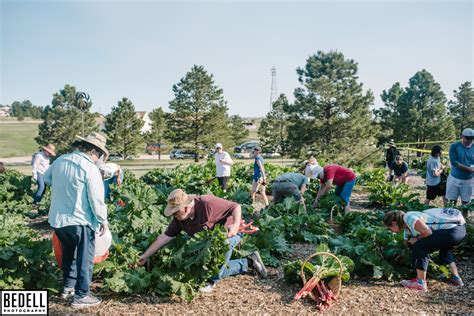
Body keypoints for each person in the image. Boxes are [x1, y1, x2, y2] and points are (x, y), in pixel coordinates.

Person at [138, 189, 267, 293]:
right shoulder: (179, 219)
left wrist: (235, 224)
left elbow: (236, 207)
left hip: (232, 231)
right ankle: (248, 262)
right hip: (207, 242)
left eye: (175, 212)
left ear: (186, 208)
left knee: (224, 245)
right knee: (199, 272)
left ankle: (212, 281)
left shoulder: (207, 203)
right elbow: (164, 238)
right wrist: (144, 256)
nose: (174, 215)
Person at [44, 132, 109, 309]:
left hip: (58, 220)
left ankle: (68, 287)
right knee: (84, 258)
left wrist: (64, 188)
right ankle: (82, 296)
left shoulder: (60, 160)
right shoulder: (90, 168)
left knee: (69, 254)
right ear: (95, 152)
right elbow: (96, 200)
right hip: (80, 220)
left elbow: (46, 178)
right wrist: (103, 220)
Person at [383, 209, 466, 292]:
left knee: (420, 246)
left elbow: (428, 232)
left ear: (393, 223)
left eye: (389, 227)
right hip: (460, 230)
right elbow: (406, 242)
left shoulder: (408, 217)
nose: (389, 230)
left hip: (451, 231)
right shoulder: (406, 225)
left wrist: (416, 239)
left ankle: (420, 282)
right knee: (444, 250)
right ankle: (456, 278)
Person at [446, 128, 474, 205]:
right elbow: (454, 162)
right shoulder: (454, 146)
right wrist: (468, 169)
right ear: (462, 136)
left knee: (465, 203)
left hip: (468, 180)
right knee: (452, 202)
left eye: (471, 139)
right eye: (467, 138)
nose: (469, 141)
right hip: (454, 178)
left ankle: (464, 217)